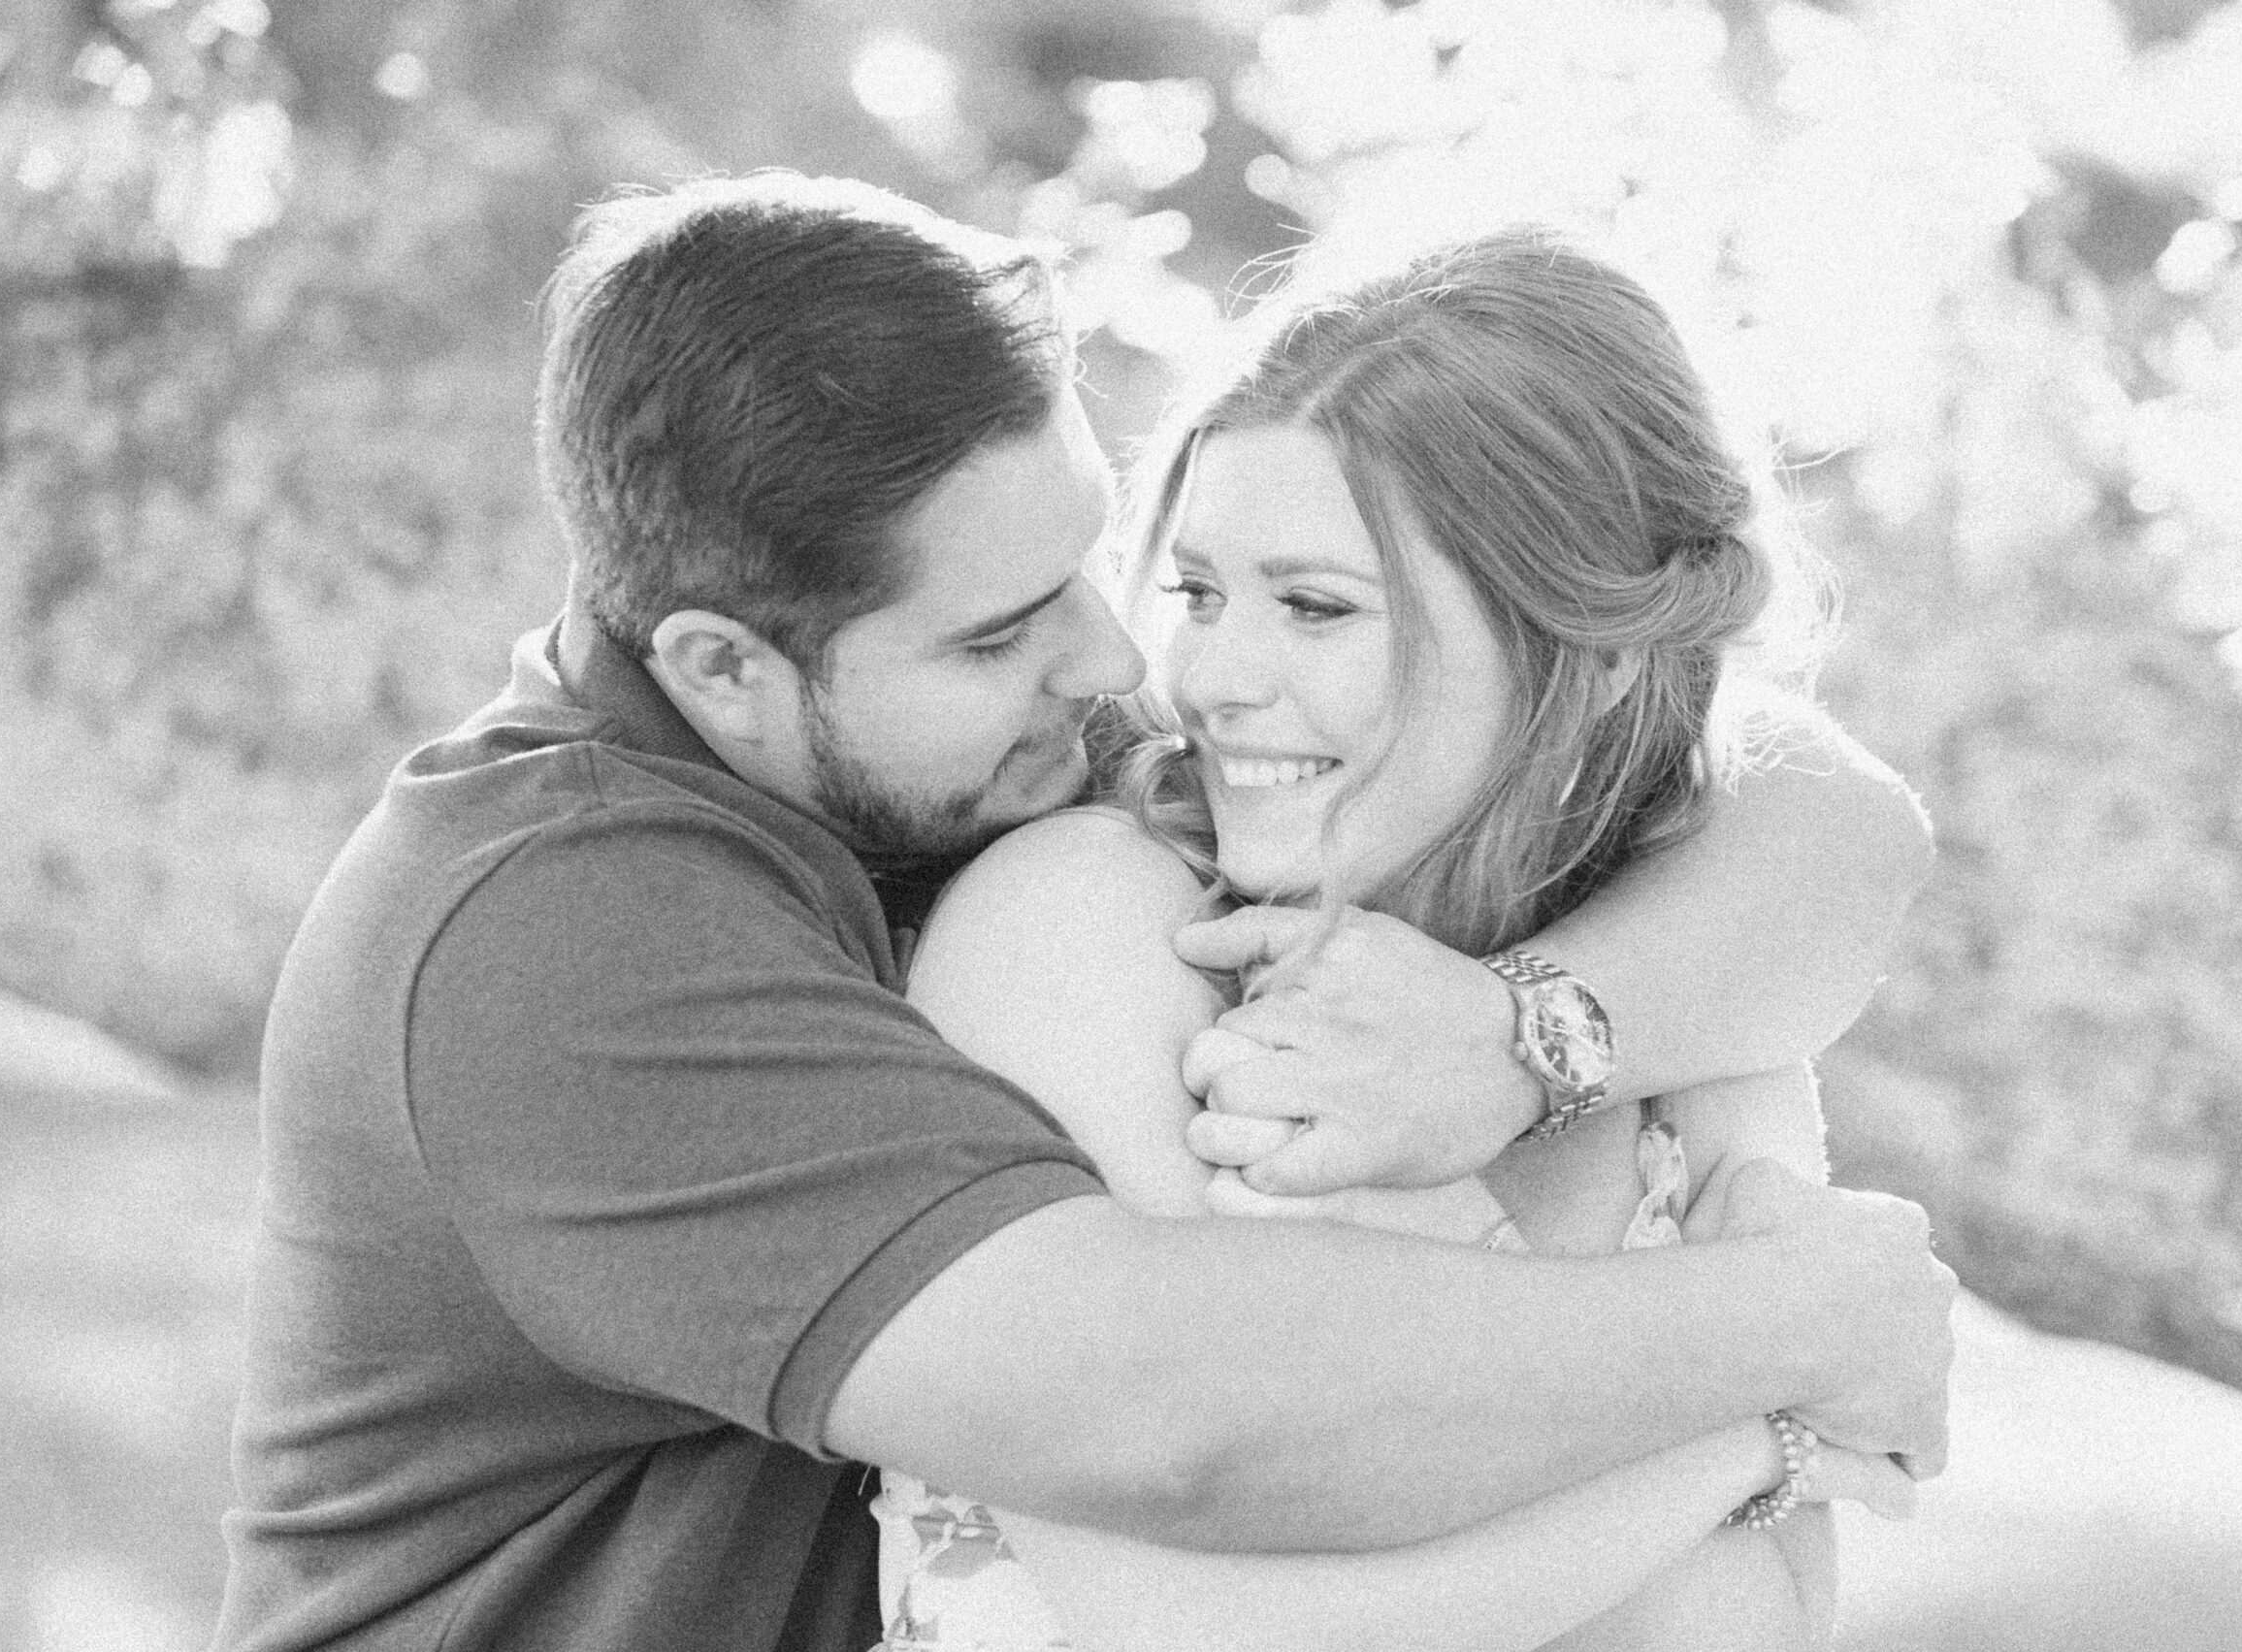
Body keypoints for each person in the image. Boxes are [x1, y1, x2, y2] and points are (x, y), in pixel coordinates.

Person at [211, 173, 1952, 1652]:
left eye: (1101, 568)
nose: (1128, 665)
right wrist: (1795, 1356)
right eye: (1000, 633)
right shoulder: (557, 945)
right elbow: (1171, 1435)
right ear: (724, 671)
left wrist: (1526, 1035)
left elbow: (1825, 816)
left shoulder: (995, 759)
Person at [872, 227, 1908, 1652]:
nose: (1210, 677)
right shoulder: (1081, 930)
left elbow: (1764, 1617)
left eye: (1315, 608)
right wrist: (1769, 1431)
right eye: (1199, 593)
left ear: (1593, 652)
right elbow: (1190, 1620)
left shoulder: (1692, 1027)